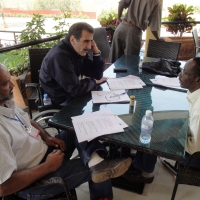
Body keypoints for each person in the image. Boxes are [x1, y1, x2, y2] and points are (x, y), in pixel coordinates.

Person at [0, 64, 132, 200]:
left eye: (9, 80)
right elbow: (3, 187)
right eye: (5, 84)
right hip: (34, 181)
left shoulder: (6, 104)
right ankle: (99, 166)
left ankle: (96, 161)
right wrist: (47, 166)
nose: (12, 85)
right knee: (99, 171)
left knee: (77, 127)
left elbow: (29, 121)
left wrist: (46, 137)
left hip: (45, 152)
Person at [123, 57, 200, 183]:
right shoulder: (195, 92)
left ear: (198, 80)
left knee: (152, 134)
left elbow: (194, 148)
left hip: (194, 155)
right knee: (151, 127)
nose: (179, 75)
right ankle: (138, 164)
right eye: (182, 71)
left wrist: (173, 133)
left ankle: (146, 174)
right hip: (191, 135)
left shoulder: (199, 110)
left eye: (185, 73)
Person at [39, 22, 107, 105]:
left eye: (91, 41)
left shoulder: (78, 50)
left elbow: (97, 75)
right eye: (86, 41)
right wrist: (93, 81)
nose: (89, 46)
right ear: (72, 40)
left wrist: (96, 53)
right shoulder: (60, 56)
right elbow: (75, 89)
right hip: (60, 101)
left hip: (71, 94)